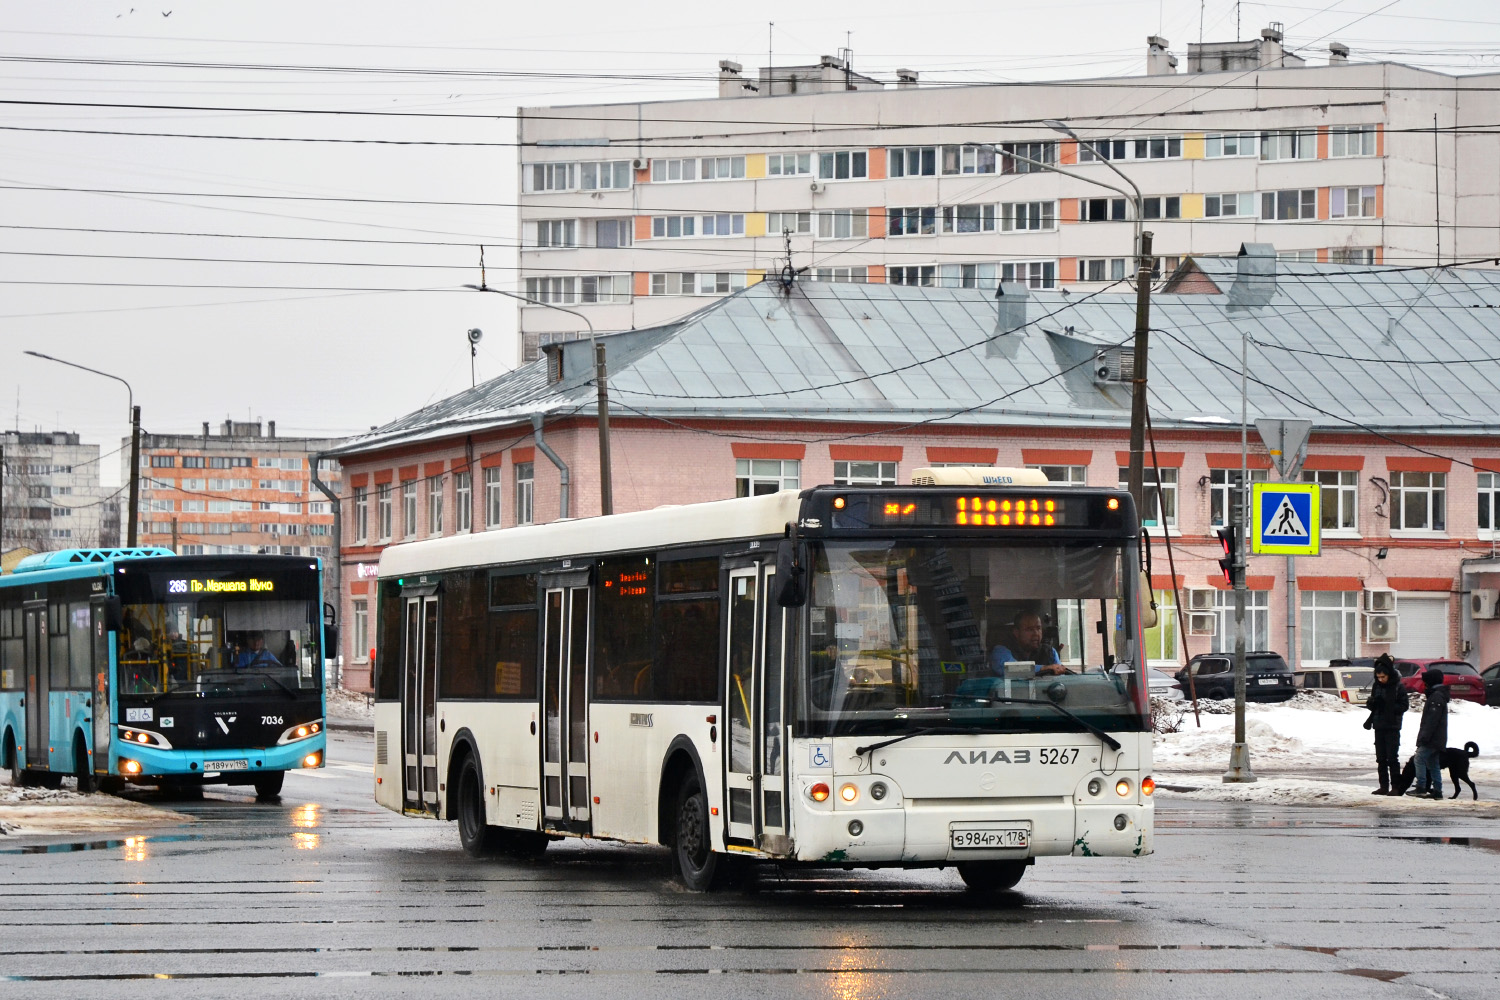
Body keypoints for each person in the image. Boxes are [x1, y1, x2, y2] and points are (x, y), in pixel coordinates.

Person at [1363, 653, 1408, 795]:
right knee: (1381, 758)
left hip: (1392, 726)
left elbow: (1404, 706)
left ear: (1389, 674)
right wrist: (1372, 703)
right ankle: (1383, 786)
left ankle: (1395, 786)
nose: (1380, 680)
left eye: (1383, 677)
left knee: (1392, 757)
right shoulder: (1377, 686)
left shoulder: (1397, 687)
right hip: (1379, 725)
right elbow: (1374, 705)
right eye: (1378, 677)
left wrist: (1388, 706)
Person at [1409, 666, 1449, 799]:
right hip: (1437, 738)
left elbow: (1432, 721)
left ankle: (1421, 787)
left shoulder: (1436, 697)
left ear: (1431, 681)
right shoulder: (1438, 695)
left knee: (1419, 758)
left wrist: (1424, 738)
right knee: (1433, 763)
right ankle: (1438, 791)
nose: (1424, 684)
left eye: (1426, 682)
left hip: (1432, 738)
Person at [989, 611, 1065, 676]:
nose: (1036, 633)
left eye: (1038, 628)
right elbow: (1009, 669)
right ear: (1016, 632)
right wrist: (1043, 668)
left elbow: (1061, 676)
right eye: (1029, 629)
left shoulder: (1050, 652)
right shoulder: (1000, 650)